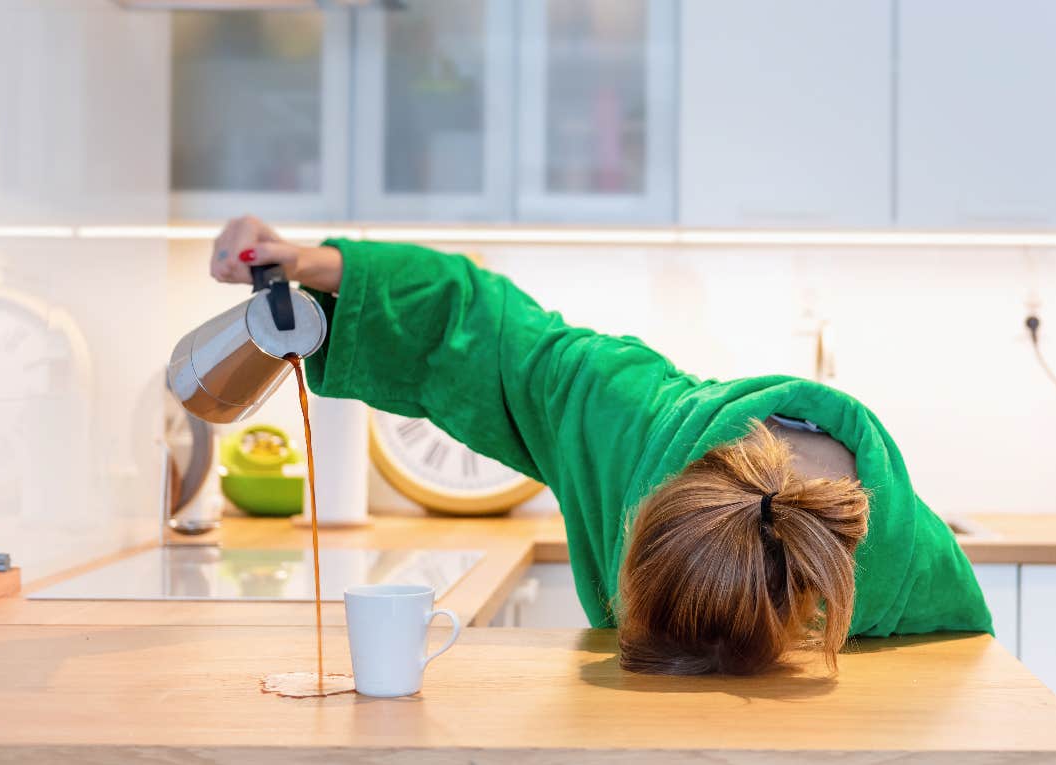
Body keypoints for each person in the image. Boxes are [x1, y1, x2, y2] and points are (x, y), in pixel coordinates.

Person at [209, 216, 992, 675]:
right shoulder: (624, 420)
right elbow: (484, 328)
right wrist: (320, 266)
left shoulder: (910, 573)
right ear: (641, 508)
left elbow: (961, 693)